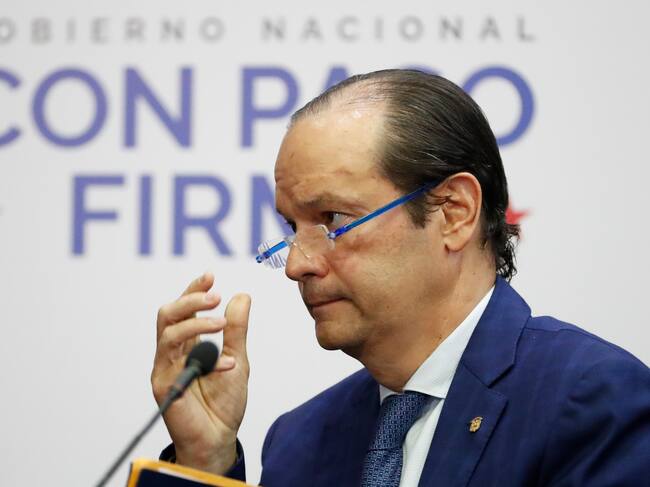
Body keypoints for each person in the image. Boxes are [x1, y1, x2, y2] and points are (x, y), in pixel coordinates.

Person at [151, 70, 650, 486]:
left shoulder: (590, 400)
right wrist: (205, 462)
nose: (299, 264)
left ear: (453, 212)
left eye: (332, 220)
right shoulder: (300, 443)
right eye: (292, 228)